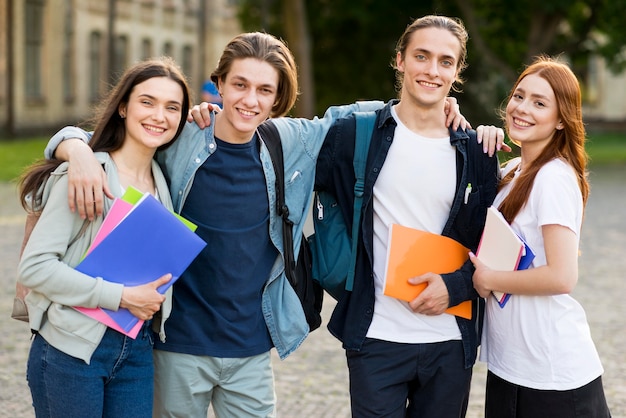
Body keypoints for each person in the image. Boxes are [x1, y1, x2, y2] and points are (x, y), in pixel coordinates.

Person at [45, 32, 501, 417]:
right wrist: (75, 149)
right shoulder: (181, 138)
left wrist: (443, 103)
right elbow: (113, 133)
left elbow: (381, 112)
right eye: (239, 85)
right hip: (176, 345)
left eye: (265, 90)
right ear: (217, 84)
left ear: (279, 97)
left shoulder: (293, 141)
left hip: (252, 350)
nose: (250, 100)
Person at [314, 15, 501, 417]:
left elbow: (497, 248)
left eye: (445, 61)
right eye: (422, 56)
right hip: (376, 336)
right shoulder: (355, 136)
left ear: (457, 72)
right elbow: (283, 151)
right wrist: (207, 119)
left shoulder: (477, 153)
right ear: (400, 60)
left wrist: (456, 287)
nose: (432, 71)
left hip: (451, 341)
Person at [17, 57, 192, 418]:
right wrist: (122, 297)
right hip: (70, 350)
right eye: (147, 102)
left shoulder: (165, 183)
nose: (159, 115)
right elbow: (34, 269)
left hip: (136, 350)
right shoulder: (86, 175)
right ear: (124, 107)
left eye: (172, 107)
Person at [469, 56, 611, 417]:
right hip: (512, 365)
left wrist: (489, 279)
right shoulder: (514, 169)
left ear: (562, 119)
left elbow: (563, 277)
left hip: (552, 375)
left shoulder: (553, 178)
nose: (522, 108)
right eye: (519, 96)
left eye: (539, 103)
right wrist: (481, 142)